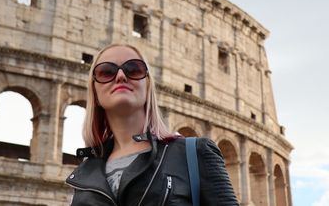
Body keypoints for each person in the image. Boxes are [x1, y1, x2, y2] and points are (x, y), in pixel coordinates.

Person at [66, 43, 239, 206]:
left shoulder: (194, 153)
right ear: (94, 91)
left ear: (148, 85)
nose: (120, 76)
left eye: (133, 69)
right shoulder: (83, 175)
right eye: (106, 72)